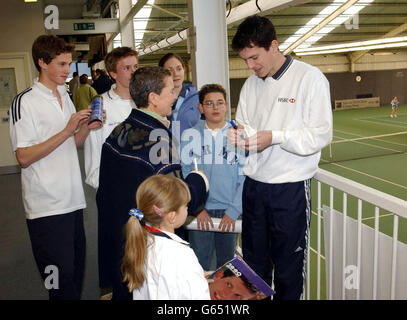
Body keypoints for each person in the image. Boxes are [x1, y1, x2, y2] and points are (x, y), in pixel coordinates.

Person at [228, 15, 333, 300]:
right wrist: (241, 137)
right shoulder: (251, 85)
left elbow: (319, 135)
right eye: (245, 60)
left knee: (288, 269)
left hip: (290, 187)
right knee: (253, 267)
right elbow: (246, 125)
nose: (250, 66)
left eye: (254, 57)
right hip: (254, 186)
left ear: (273, 46)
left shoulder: (310, 79)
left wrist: (274, 136)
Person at [96, 66, 209, 300]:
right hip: (146, 247)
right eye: (171, 91)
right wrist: (199, 182)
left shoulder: (118, 130)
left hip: (121, 240)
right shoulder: (157, 139)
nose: (175, 96)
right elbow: (176, 200)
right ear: (153, 98)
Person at [8, 34, 102, 300]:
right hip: (46, 209)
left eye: (68, 63)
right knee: (59, 285)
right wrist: (67, 130)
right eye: (61, 64)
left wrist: (85, 128)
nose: (67, 70)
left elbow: (70, 144)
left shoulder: (64, 94)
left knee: (73, 277)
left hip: (72, 202)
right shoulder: (24, 102)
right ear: (42, 62)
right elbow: (23, 157)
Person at [181, 84, 245, 270]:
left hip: (229, 212)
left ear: (226, 105)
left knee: (225, 265)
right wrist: (198, 208)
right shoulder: (189, 135)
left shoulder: (238, 135)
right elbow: (187, 174)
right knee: (199, 264)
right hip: (201, 213)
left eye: (219, 103)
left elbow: (245, 177)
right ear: (201, 108)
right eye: (209, 103)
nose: (215, 108)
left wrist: (233, 211)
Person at [121, 175, 210, 300]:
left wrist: (198, 275)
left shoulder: (140, 241)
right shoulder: (182, 255)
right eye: (186, 206)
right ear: (172, 216)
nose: (187, 209)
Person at [84, 46, 138, 189]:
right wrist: (110, 190)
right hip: (114, 189)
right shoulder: (100, 106)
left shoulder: (146, 102)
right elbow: (93, 160)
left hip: (145, 191)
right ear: (113, 73)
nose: (134, 72)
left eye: (135, 66)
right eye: (127, 68)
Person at [158, 53, 201, 138]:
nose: (176, 74)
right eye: (170, 71)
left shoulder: (197, 99)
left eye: (179, 69)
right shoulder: (155, 100)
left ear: (184, 69)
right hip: (163, 149)